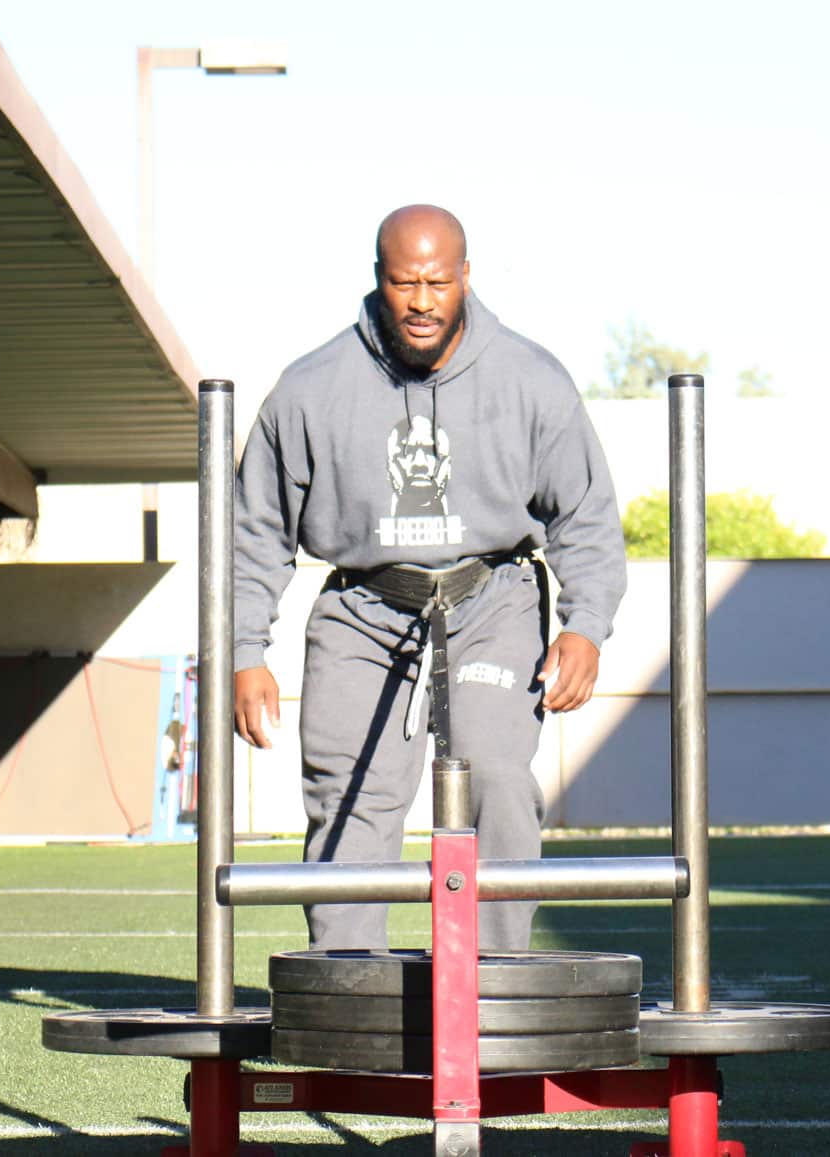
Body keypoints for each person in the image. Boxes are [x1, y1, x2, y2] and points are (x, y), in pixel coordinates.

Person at [231, 204, 626, 951]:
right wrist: (244, 649)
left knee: (499, 781)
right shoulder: (311, 388)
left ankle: (494, 978)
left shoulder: (531, 381)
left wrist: (585, 626)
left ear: (465, 278)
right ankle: (348, 982)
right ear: (378, 280)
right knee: (349, 797)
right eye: (403, 282)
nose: (420, 301)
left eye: (437, 282)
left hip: (491, 600)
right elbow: (256, 531)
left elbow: (588, 518)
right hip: (363, 608)